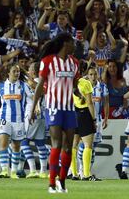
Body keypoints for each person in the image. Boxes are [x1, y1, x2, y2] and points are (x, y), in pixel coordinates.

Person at [30, 32, 79, 193]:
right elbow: (40, 86)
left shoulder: (74, 63)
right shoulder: (48, 61)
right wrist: (33, 108)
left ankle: (62, 182)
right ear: (65, 43)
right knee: (56, 143)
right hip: (53, 107)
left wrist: (80, 96)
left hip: (70, 108)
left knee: (68, 147)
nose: (74, 45)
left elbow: (75, 85)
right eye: (73, 42)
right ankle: (51, 183)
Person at [21, 62, 49, 179]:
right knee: (40, 143)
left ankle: (32, 170)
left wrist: (36, 107)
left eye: (30, 69)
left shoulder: (32, 83)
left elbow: (35, 95)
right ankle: (42, 171)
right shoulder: (44, 82)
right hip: (42, 116)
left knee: (23, 141)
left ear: (34, 71)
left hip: (32, 114)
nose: (28, 71)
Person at [70, 61, 97, 181]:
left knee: (73, 146)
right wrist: (94, 119)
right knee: (88, 145)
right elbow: (90, 103)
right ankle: (86, 174)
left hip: (73, 114)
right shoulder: (86, 83)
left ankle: (74, 174)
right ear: (85, 71)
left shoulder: (70, 82)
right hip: (84, 114)